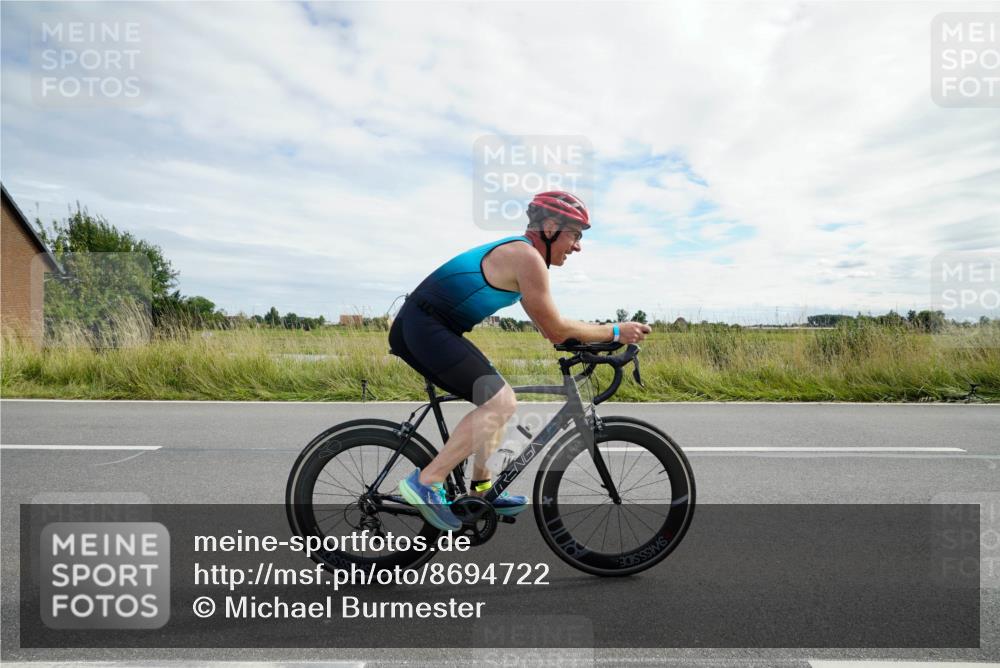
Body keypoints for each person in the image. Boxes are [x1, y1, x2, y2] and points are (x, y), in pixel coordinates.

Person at [390, 191, 651, 531]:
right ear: (551, 227)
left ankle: (482, 489)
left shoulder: (527, 259)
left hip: (432, 327)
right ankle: (426, 482)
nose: (578, 246)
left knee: (494, 397)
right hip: (423, 327)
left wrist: (591, 344)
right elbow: (558, 330)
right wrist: (616, 331)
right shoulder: (526, 257)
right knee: (501, 402)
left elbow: (549, 329)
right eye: (575, 235)